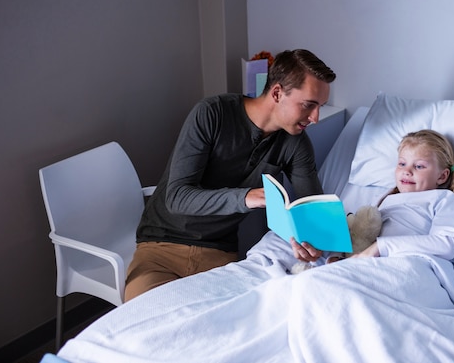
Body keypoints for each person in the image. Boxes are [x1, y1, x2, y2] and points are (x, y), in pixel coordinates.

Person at [124, 49, 336, 301]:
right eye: (308, 105)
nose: (316, 118)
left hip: (218, 253)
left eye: (319, 107)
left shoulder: (295, 143)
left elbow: (311, 208)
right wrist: (246, 197)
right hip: (161, 248)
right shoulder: (212, 114)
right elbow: (178, 197)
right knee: (148, 321)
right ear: (277, 93)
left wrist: (311, 241)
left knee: (226, 329)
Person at [328, 129, 454, 264]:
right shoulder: (384, 199)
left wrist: (380, 247)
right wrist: (336, 256)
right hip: (370, 266)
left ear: (442, 176)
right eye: (402, 164)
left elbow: (448, 246)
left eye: (419, 166)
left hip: (409, 265)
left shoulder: (443, 198)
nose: (406, 171)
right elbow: (360, 234)